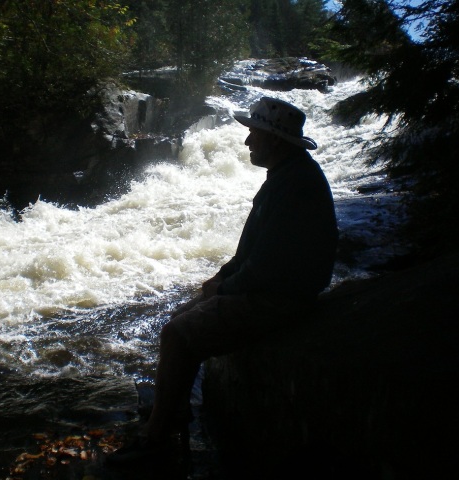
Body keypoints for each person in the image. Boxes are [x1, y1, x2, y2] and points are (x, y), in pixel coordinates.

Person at [106, 96, 339, 465]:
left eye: (254, 134)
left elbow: (266, 267)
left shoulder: (292, 184)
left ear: (274, 141)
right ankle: (172, 411)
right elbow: (252, 253)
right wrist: (219, 278)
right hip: (276, 289)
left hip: (282, 298)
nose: (248, 142)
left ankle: (155, 440)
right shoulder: (288, 175)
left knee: (178, 334)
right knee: (180, 316)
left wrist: (225, 288)